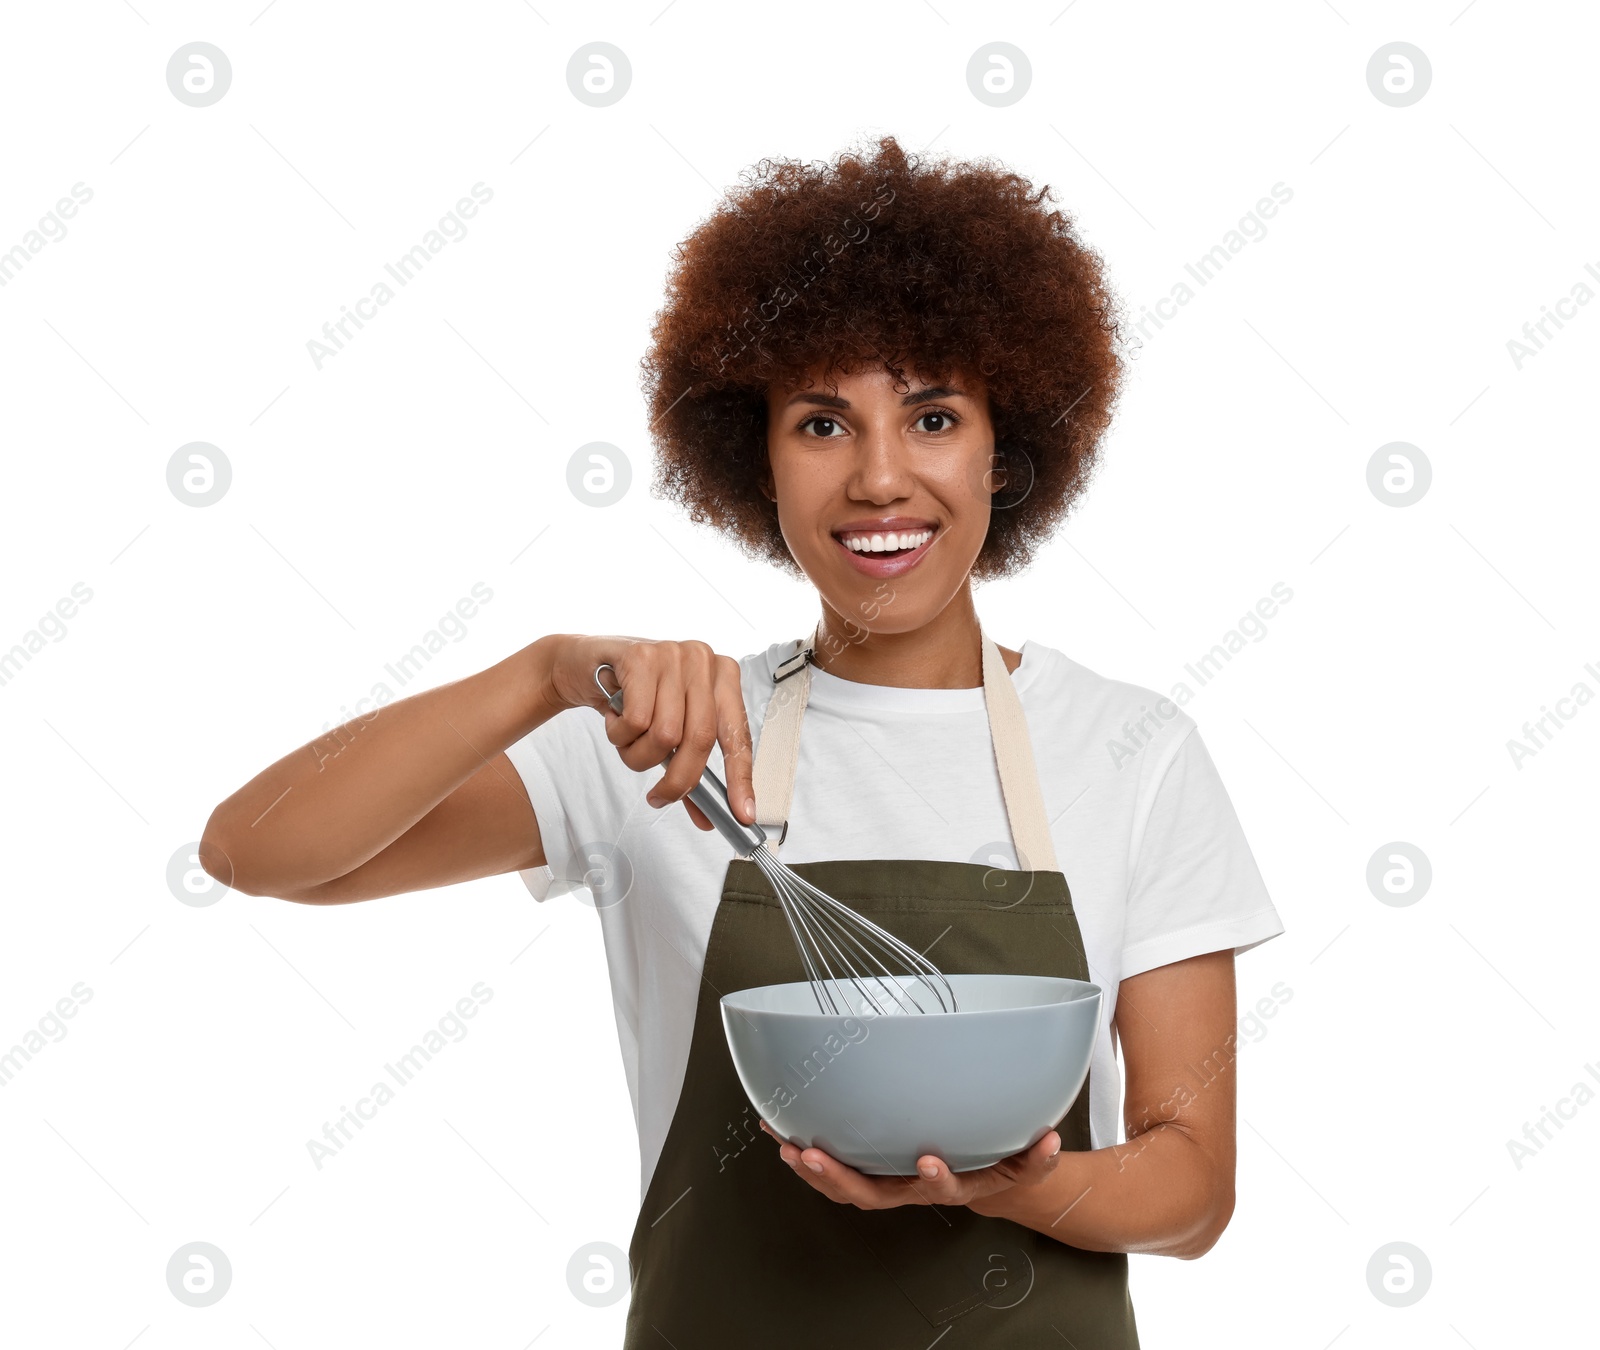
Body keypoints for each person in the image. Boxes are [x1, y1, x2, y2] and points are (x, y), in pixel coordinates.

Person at [201, 134, 1284, 1346]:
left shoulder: (1130, 746)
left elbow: (1191, 1194)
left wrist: (1015, 1186)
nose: (880, 479)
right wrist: (544, 674)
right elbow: (257, 851)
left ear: (1005, 446)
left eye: (931, 416)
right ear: (752, 459)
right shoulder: (664, 738)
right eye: (822, 425)